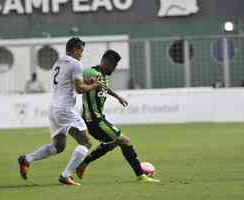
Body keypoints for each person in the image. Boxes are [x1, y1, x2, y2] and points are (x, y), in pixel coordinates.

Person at [18, 37, 101, 186]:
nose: (82, 54)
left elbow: (70, 83)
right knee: (86, 143)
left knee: (59, 146)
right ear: (75, 49)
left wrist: (88, 83)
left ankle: (27, 159)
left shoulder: (59, 62)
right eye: (81, 50)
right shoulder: (76, 64)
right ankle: (66, 175)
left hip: (53, 109)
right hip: (65, 109)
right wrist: (94, 86)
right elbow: (79, 88)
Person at [76, 50, 159, 183]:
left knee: (115, 142)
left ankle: (83, 164)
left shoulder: (103, 75)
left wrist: (117, 97)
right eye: (112, 66)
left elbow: (103, 88)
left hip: (98, 118)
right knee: (125, 141)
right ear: (105, 62)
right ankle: (140, 175)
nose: (113, 69)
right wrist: (89, 83)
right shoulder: (90, 72)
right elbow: (79, 85)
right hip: (93, 120)